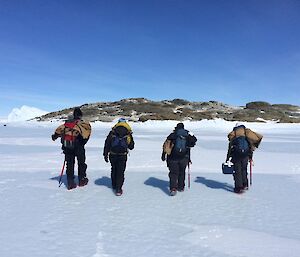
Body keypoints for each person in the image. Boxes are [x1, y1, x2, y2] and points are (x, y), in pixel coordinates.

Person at [51, 107, 91, 190]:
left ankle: (70, 183)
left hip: (67, 147)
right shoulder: (83, 124)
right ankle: (81, 180)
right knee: (81, 163)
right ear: (80, 115)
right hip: (79, 147)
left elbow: (57, 133)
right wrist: (83, 142)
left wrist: (55, 136)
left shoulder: (66, 124)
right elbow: (86, 136)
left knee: (69, 164)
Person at [161, 123, 197, 196]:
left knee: (174, 173)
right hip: (184, 158)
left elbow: (166, 145)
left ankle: (173, 189)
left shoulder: (173, 135)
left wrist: (163, 155)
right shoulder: (187, 135)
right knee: (182, 172)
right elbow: (193, 143)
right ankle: (181, 187)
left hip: (172, 158)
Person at [226, 123, 263, 193]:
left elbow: (230, 148)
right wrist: (250, 157)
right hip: (245, 155)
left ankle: (238, 188)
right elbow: (251, 147)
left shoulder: (234, 134)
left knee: (237, 171)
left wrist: (227, 159)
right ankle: (245, 185)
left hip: (236, 155)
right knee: (244, 170)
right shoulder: (247, 134)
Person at [103, 118, 134, 196]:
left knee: (114, 169)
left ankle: (114, 185)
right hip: (122, 155)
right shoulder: (128, 132)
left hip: (112, 154)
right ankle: (118, 189)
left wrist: (105, 154)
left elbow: (107, 144)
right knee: (120, 171)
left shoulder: (113, 132)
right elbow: (131, 146)